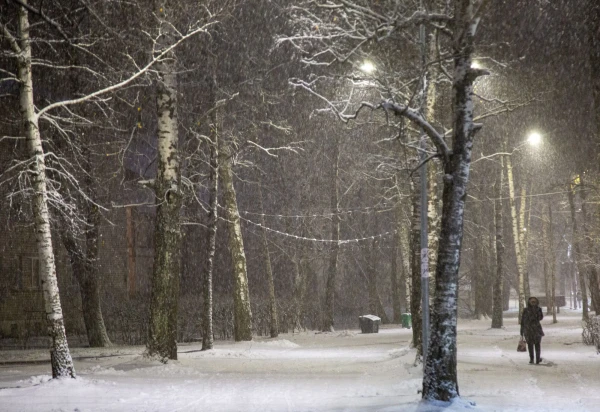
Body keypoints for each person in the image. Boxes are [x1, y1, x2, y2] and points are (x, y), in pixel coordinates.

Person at [520, 296, 545, 364]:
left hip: (536, 329)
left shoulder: (538, 309)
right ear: (529, 302)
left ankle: (537, 359)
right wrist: (521, 331)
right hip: (528, 330)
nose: (533, 303)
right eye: (532, 301)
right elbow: (523, 321)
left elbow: (540, 318)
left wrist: (536, 312)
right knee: (530, 345)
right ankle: (532, 358)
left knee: (537, 344)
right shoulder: (526, 310)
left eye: (534, 301)